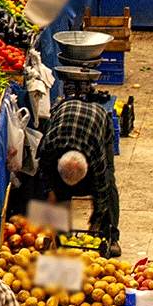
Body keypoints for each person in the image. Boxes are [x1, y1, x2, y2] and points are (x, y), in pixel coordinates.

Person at [38, 98, 122, 256]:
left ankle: (112, 236)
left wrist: (95, 225)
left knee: (108, 182)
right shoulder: (50, 145)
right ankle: (62, 232)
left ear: (88, 166)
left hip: (98, 121)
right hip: (65, 115)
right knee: (57, 191)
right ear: (58, 161)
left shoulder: (95, 154)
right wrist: (50, 191)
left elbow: (101, 192)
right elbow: (43, 169)